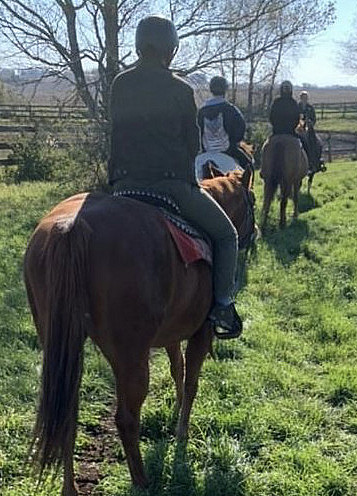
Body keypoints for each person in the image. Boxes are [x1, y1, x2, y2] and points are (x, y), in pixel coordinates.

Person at [107, 15, 242, 339]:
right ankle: (222, 305)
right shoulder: (181, 89)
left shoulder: (120, 84)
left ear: (139, 46)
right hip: (170, 186)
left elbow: (116, 134)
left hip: (123, 186)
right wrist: (188, 181)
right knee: (226, 236)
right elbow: (191, 144)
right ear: (171, 49)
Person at [197, 76, 252, 169]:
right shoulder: (231, 109)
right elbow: (240, 129)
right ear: (225, 89)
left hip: (205, 151)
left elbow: (196, 130)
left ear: (211, 89)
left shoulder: (201, 111)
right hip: (229, 151)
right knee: (248, 166)